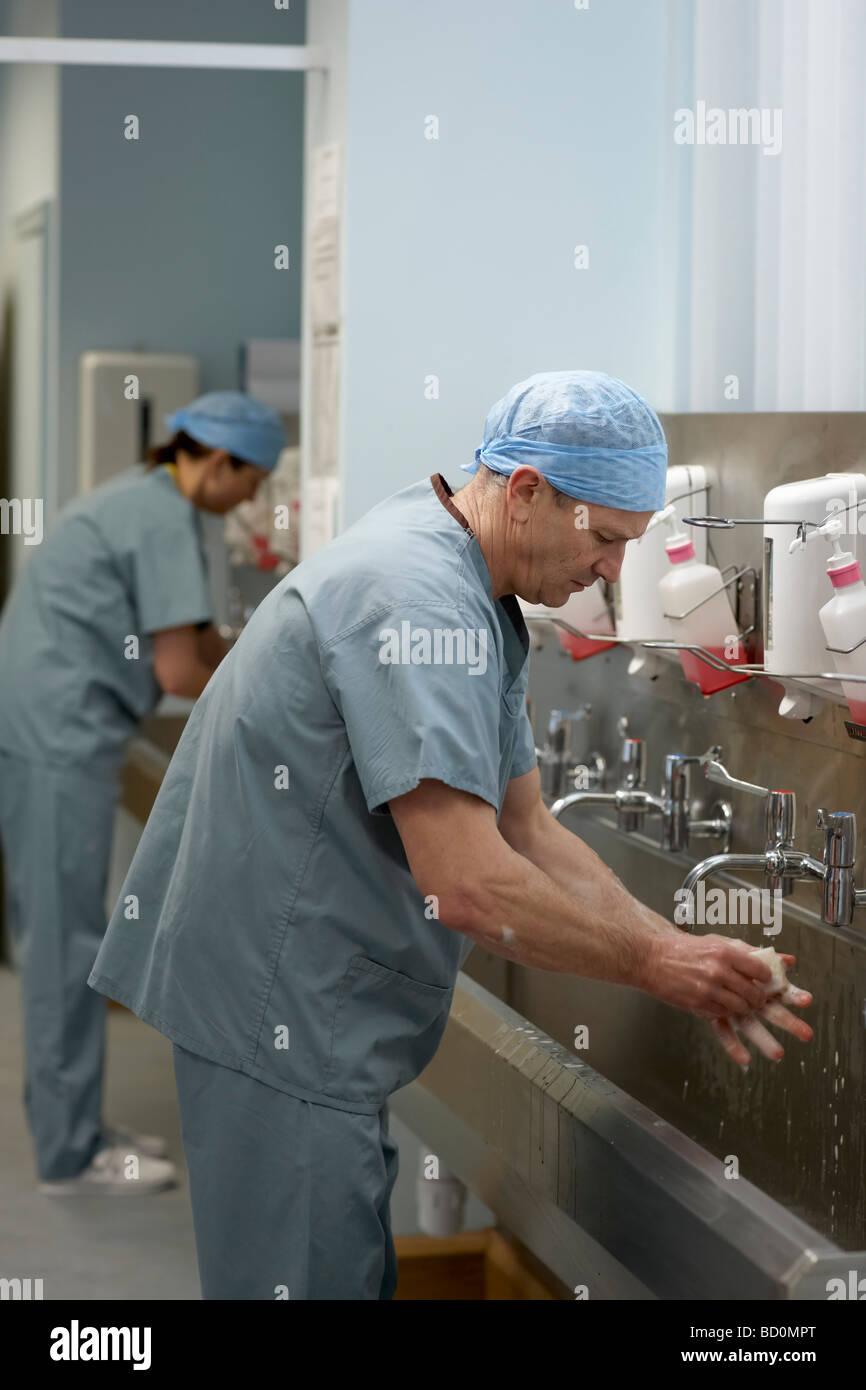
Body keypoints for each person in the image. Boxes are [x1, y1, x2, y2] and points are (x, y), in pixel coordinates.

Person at [88, 370, 812, 1297]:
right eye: (604, 539)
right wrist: (655, 969)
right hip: (277, 1007)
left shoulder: (469, 578)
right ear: (525, 492)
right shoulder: (418, 600)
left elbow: (529, 830)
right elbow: (469, 884)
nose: (612, 573)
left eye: (633, 547)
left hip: (301, 999)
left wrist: (674, 946)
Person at [0, 390, 286, 1195]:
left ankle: (77, 1126)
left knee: (60, 932)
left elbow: (194, 637)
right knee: (63, 944)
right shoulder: (163, 519)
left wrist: (266, 649)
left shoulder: (139, 498)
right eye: (253, 480)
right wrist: (277, 710)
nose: (253, 501)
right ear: (218, 462)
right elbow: (178, 670)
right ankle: (69, 1155)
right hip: (59, 734)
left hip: (46, 724)